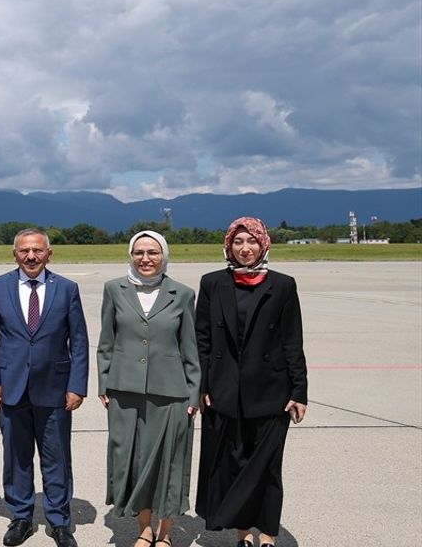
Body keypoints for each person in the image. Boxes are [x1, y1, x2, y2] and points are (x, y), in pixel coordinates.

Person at [195, 217, 308, 547]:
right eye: (238, 242)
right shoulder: (212, 283)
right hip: (224, 392)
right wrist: (202, 386)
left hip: (272, 392)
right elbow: (202, 339)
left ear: (264, 244)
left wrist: (299, 390)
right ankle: (244, 534)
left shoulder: (283, 285)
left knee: (268, 468)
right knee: (234, 464)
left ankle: (268, 536)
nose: (245, 248)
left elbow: (292, 341)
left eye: (252, 242)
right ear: (228, 246)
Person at [0, 228, 88, 547]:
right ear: (14, 254)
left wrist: (77, 386)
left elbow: (79, 342)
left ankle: (58, 521)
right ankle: (21, 517)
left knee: (56, 458)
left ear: (48, 254)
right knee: (17, 457)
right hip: (10, 387)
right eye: (25, 251)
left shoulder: (67, 289)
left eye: (38, 251)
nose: (31, 256)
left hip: (55, 389)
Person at [96, 230, 199, 547]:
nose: (145, 258)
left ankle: (166, 532)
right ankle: (144, 528)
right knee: (133, 460)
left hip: (171, 393)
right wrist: (104, 381)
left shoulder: (181, 294)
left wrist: (193, 393)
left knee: (169, 461)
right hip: (124, 391)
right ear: (130, 255)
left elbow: (190, 349)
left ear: (164, 255)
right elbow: (106, 342)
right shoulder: (114, 289)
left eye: (152, 252)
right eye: (139, 252)